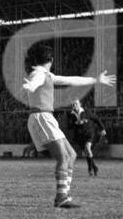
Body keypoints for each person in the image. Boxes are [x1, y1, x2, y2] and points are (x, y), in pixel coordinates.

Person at [21, 43, 115, 209]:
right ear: (51, 59)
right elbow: (36, 81)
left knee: (70, 154)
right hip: (42, 116)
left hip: (44, 117)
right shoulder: (39, 73)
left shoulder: (46, 74)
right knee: (64, 157)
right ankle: (61, 197)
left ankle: (63, 196)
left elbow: (71, 79)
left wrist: (95, 79)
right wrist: (31, 86)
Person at [67, 100, 107, 177]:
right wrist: (76, 123)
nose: (74, 105)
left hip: (89, 133)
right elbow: (69, 126)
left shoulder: (86, 112)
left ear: (80, 104)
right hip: (79, 136)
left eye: (76, 104)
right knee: (86, 152)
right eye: (73, 104)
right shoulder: (70, 114)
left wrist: (102, 128)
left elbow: (96, 119)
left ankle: (94, 167)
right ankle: (90, 167)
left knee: (87, 148)